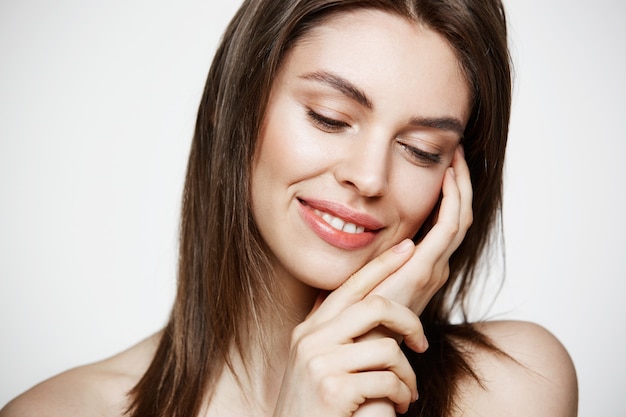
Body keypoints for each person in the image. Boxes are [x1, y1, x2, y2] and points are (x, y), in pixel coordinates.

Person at [0, 0, 578, 416]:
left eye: (421, 150)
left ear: (457, 181)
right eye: (329, 117)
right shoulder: (57, 411)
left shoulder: (512, 384)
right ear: (241, 109)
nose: (369, 176)